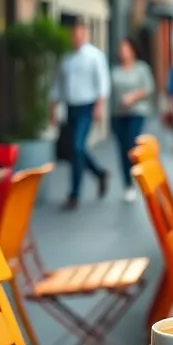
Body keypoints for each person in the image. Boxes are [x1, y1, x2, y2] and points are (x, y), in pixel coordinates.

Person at [49, 21, 110, 210]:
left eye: (79, 34)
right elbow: (57, 85)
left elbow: (102, 83)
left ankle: (74, 194)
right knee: (75, 148)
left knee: (76, 147)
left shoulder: (94, 56)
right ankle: (99, 173)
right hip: (71, 108)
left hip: (87, 107)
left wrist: (99, 107)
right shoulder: (66, 59)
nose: (76, 38)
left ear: (85, 35)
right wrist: (53, 108)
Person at [110, 37, 154, 202]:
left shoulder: (142, 68)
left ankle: (138, 176)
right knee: (122, 150)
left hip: (137, 112)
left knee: (130, 145)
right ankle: (127, 184)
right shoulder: (115, 71)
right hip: (118, 114)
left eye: (126, 49)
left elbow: (149, 88)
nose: (123, 52)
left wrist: (133, 97)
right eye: (121, 49)